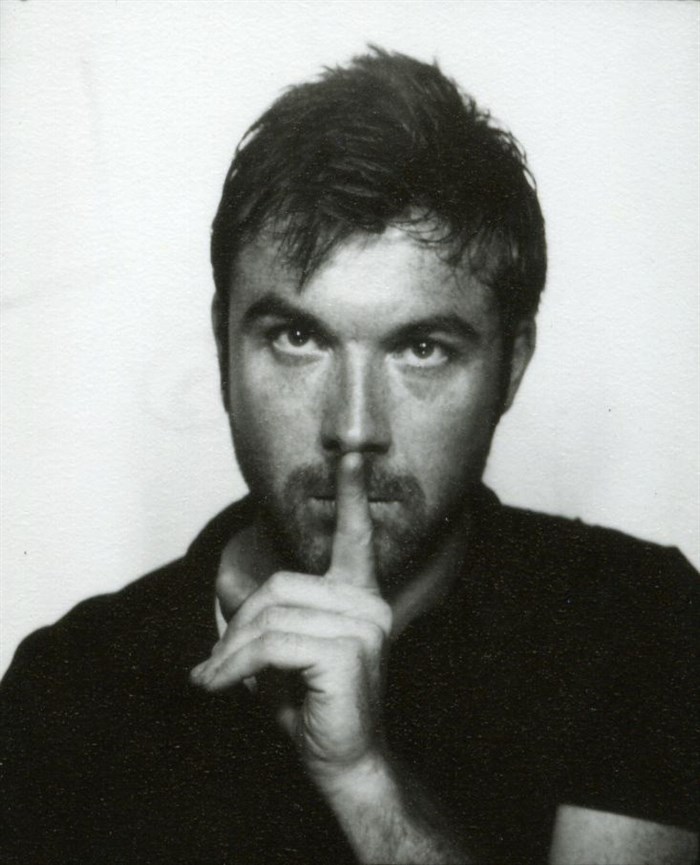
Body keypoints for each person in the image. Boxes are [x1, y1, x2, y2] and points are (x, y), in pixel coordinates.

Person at [1, 47, 697, 865]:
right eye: (298, 338)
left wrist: (364, 778)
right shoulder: (66, 685)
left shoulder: (640, 625)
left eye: (422, 349)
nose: (354, 427)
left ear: (512, 365)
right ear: (223, 347)